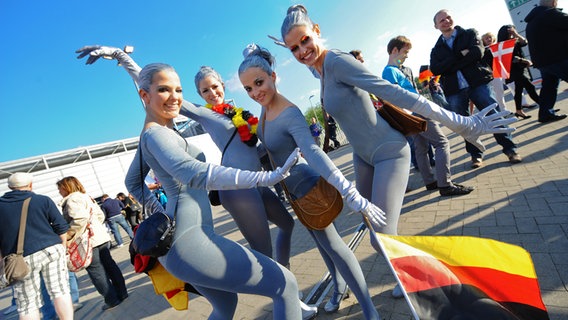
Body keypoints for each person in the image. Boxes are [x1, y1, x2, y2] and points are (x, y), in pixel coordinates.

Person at [278, 4, 514, 299]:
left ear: (317, 31)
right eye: (293, 49)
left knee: (382, 234)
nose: (302, 51)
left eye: (305, 41)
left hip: (389, 152)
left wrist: (463, 123)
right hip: (363, 158)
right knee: (376, 235)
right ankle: (415, 274)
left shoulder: (337, 61)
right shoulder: (321, 71)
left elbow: (397, 94)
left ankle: (429, 275)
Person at [80, 59, 314, 318]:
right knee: (285, 284)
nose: (174, 97)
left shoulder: (155, 132)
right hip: (189, 243)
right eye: (164, 90)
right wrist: (265, 178)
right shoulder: (156, 135)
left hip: (181, 244)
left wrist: (163, 212)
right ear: (144, 95)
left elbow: (133, 183)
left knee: (225, 306)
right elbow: (193, 173)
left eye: (178, 90)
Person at [238, 44, 387, 318]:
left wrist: (348, 189)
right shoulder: (265, 108)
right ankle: (339, 286)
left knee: (335, 247)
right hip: (293, 193)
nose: (255, 92)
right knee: (322, 245)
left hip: (307, 187)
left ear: (273, 76)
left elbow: (313, 151)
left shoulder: (290, 112)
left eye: (259, 82)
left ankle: (370, 309)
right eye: (248, 89)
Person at [382, 35, 474, 196]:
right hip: (417, 110)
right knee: (442, 143)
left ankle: (430, 181)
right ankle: (445, 184)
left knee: (421, 147)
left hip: (412, 112)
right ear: (395, 50)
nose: (406, 56)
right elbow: (396, 97)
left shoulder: (393, 71)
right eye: (405, 52)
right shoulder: (390, 71)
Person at [430, 9, 522, 169]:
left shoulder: (469, 34)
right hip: (455, 90)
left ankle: (510, 149)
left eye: (448, 17)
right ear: (436, 26)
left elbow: (476, 53)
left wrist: (450, 64)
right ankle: (475, 155)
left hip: (478, 83)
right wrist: (460, 55)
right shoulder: (436, 49)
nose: (446, 21)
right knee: (464, 124)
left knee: (494, 115)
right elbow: (436, 69)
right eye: (442, 20)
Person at [0, 172, 74, 319]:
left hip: (19, 258)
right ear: (30, 185)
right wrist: (63, 247)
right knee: (60, 290)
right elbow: (61, 227)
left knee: (27, 303)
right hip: (51, 249)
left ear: (9, 187)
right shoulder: (42, 200)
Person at [56, 176, 129, 311]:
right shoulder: (86, 197)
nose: (59, 191)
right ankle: (122, 293)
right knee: (110, 266)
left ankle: (111, 299)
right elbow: (100, 215)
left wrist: (69, 234)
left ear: (66, 187)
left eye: (60, 188)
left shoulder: (72, 200)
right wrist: (95, 226)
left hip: (88, 241)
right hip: (101, 237)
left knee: (97, 272)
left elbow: (80, 219)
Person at [525, 0, 568, 123]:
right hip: (558, 57)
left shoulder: (532, 21)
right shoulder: (549, 14)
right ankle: (546, 113)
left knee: (549, 87)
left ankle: (545, 113)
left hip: (543, 62)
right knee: (549, 87)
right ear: (554, 2)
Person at [497, 25, 540, 119]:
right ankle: (545, 106)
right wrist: (524, 61)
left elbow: (524, 42)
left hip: (521, 68)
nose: (512, 33)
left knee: (519, 90)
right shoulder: (503, 44)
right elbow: (512, 58)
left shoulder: (514, 40)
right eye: (510, 31)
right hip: (515, 69)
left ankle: (519, 110)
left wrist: (516, 34)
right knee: (530, 87)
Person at [480, 32, 511, 114]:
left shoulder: (499, 47)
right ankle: (502, 110)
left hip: (501, 71)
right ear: (483, 41)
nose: (489, 39)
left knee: (501, 91)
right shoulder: (483, 50)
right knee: (498, 92)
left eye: (490, 37)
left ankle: (503, 109)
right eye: (486, 38)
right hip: (492, 73)